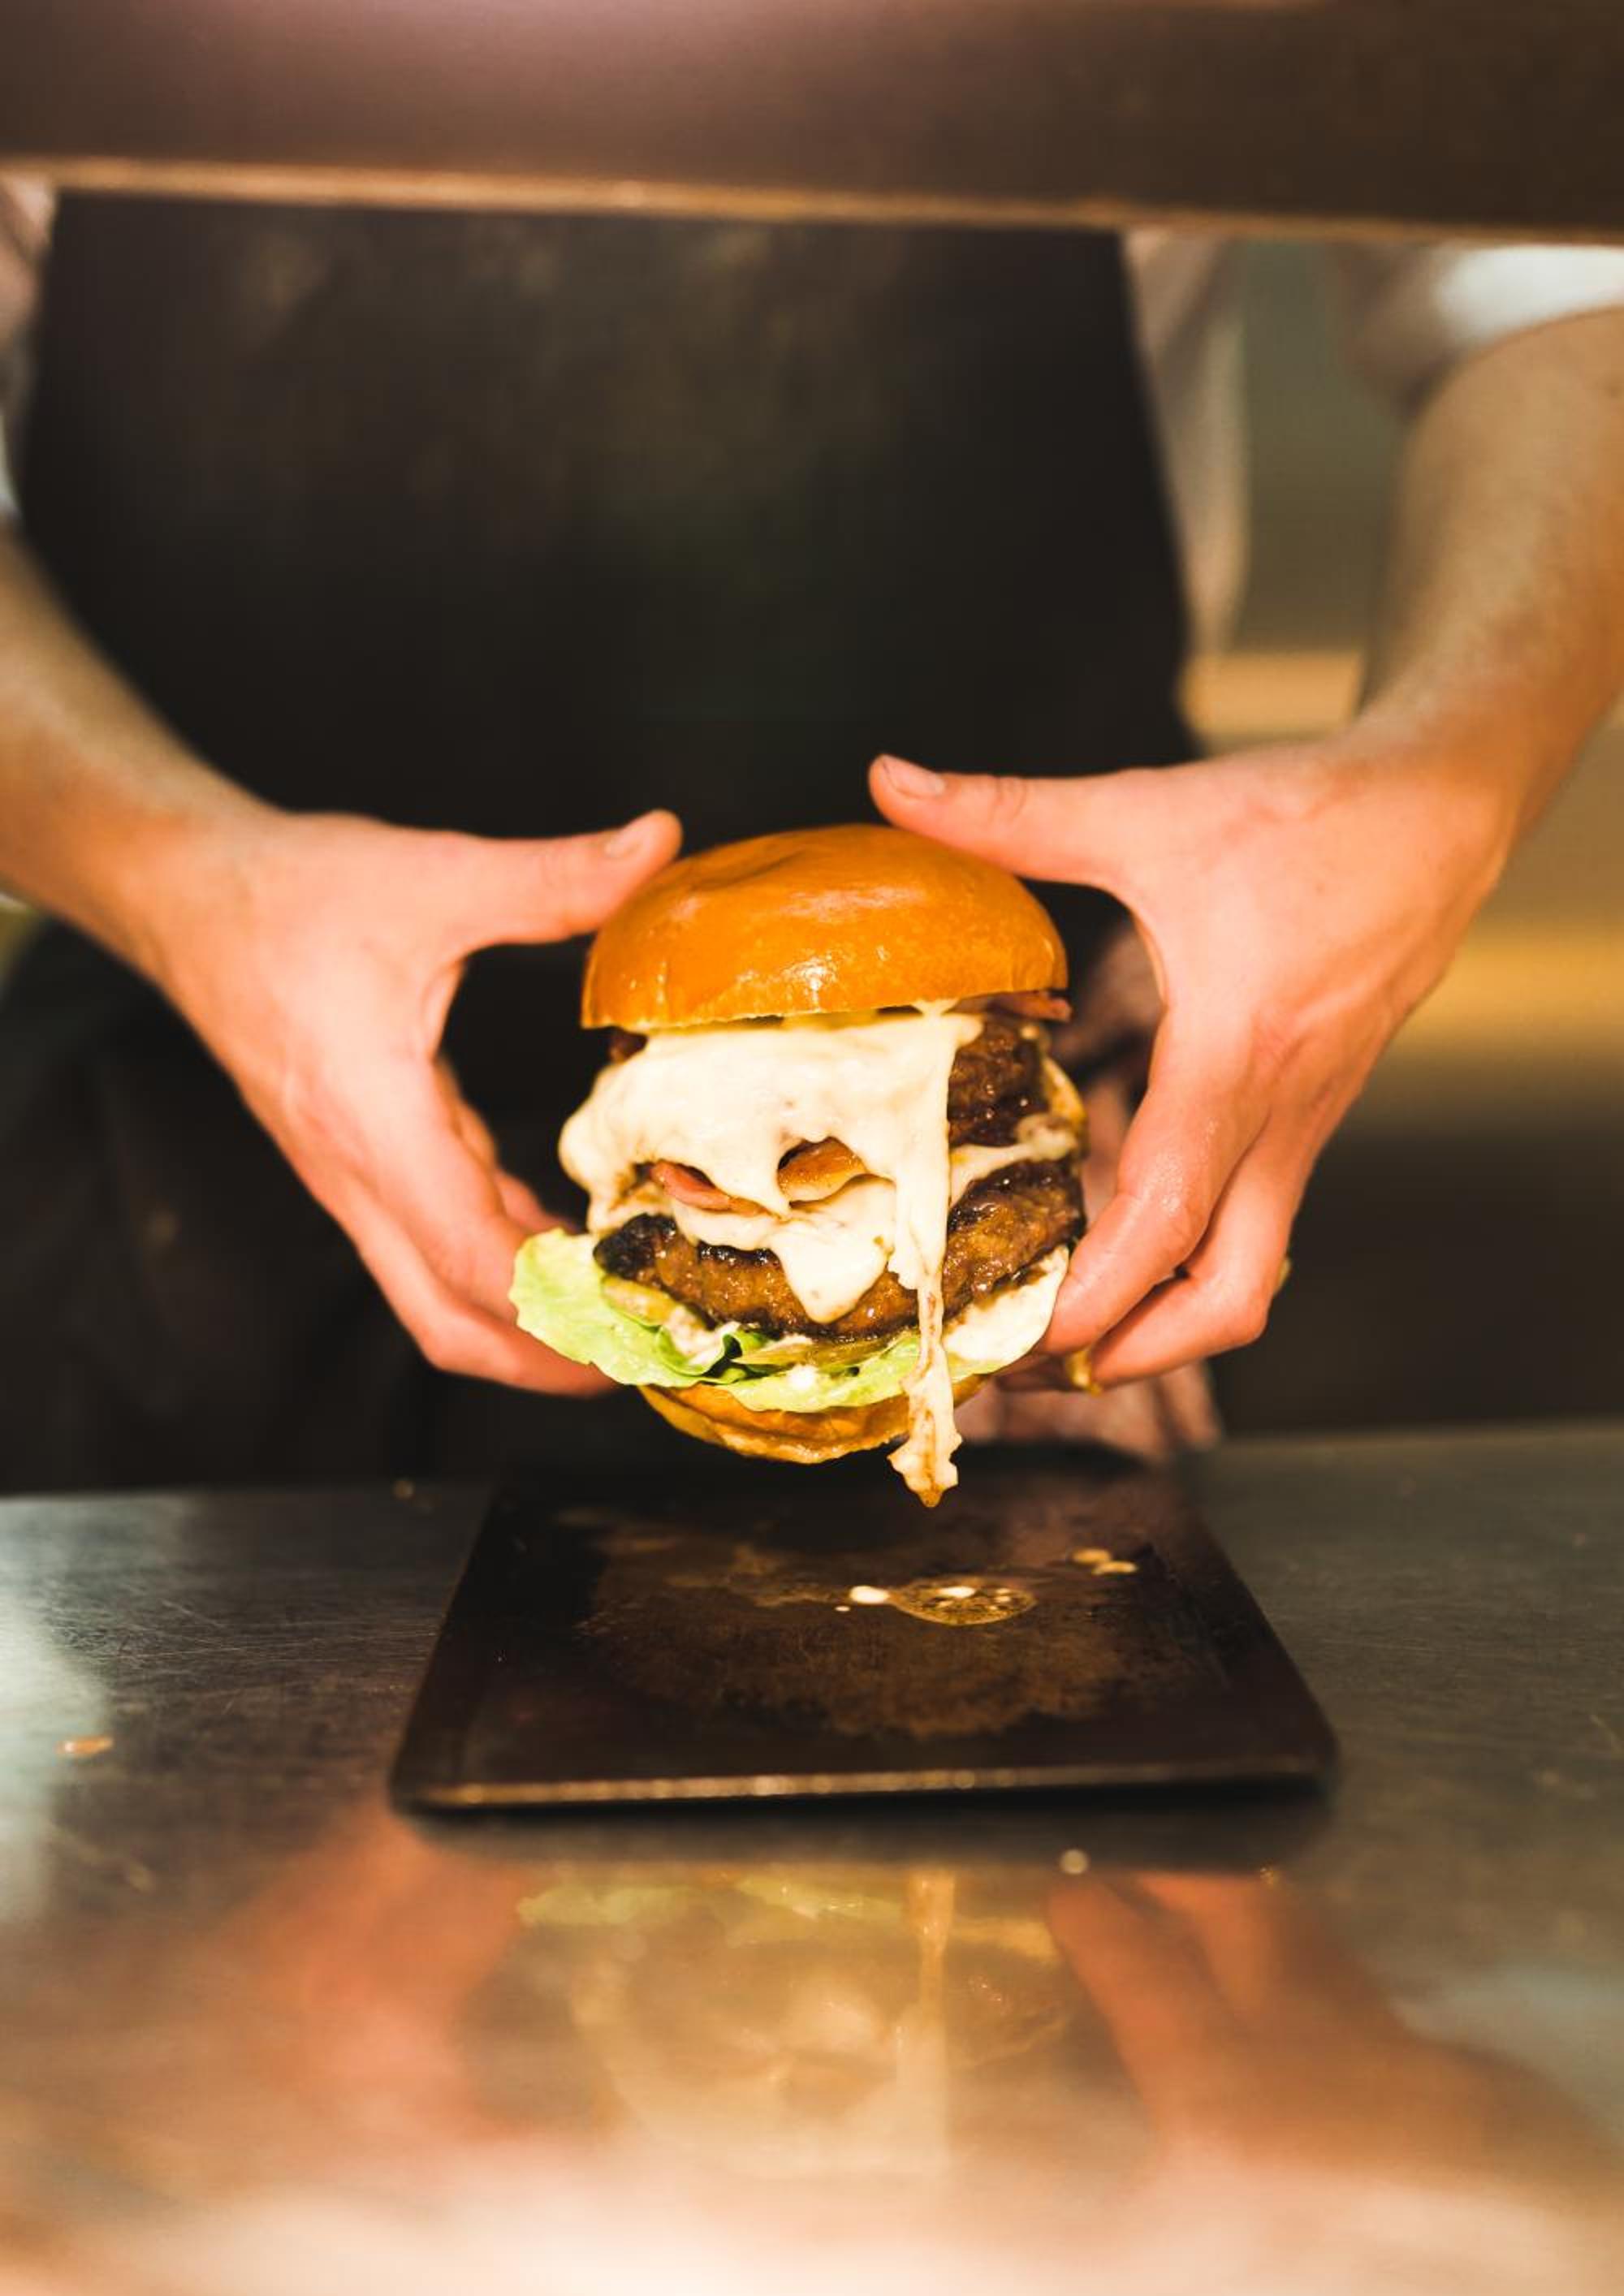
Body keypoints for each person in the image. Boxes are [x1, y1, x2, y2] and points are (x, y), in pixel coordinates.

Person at [1, 189, 1622, 1488]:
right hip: (178, 1171)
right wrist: (170, 872)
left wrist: (1442, 785)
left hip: (1053, 1167)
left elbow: (1560, 277)